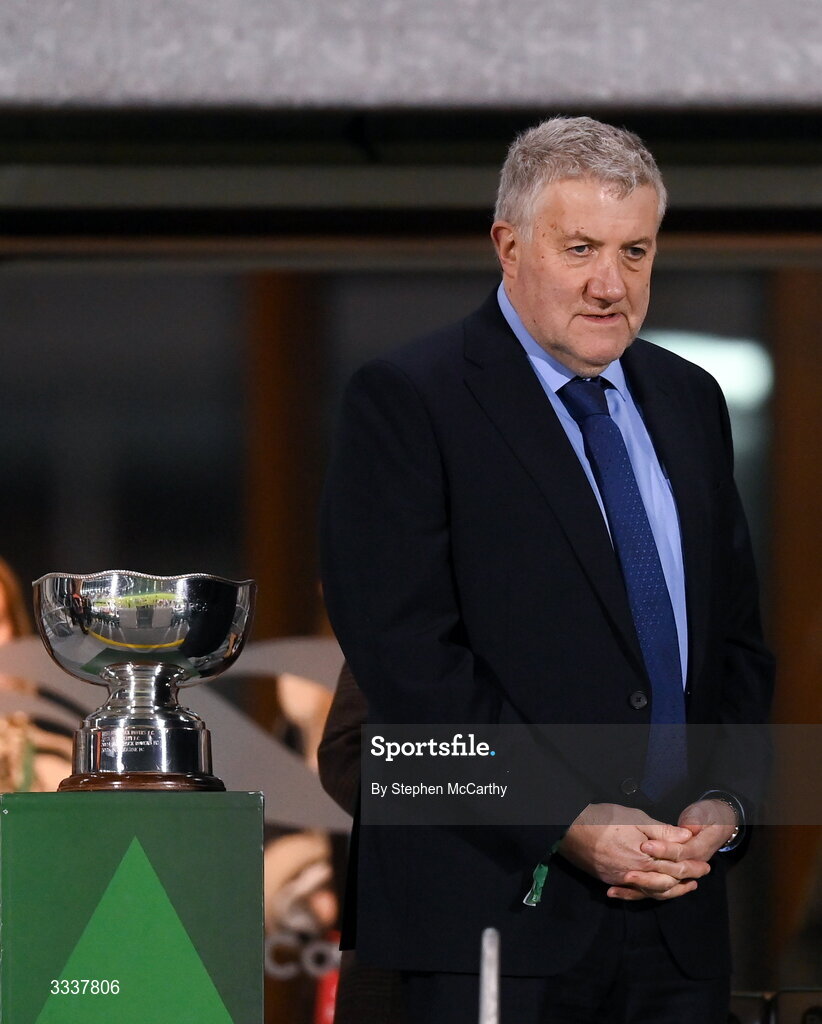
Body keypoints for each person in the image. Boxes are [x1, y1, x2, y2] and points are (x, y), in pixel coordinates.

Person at [319, 116, 774, 1023]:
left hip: (677, 922)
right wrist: (568, 820)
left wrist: (726, 803)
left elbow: (734, 646)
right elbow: (413, 671)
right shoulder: (410, 401)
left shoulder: (690, 399)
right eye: (580, 249)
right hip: (490, 921)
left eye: (635, 250)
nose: (612, 285)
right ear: (509, 245)